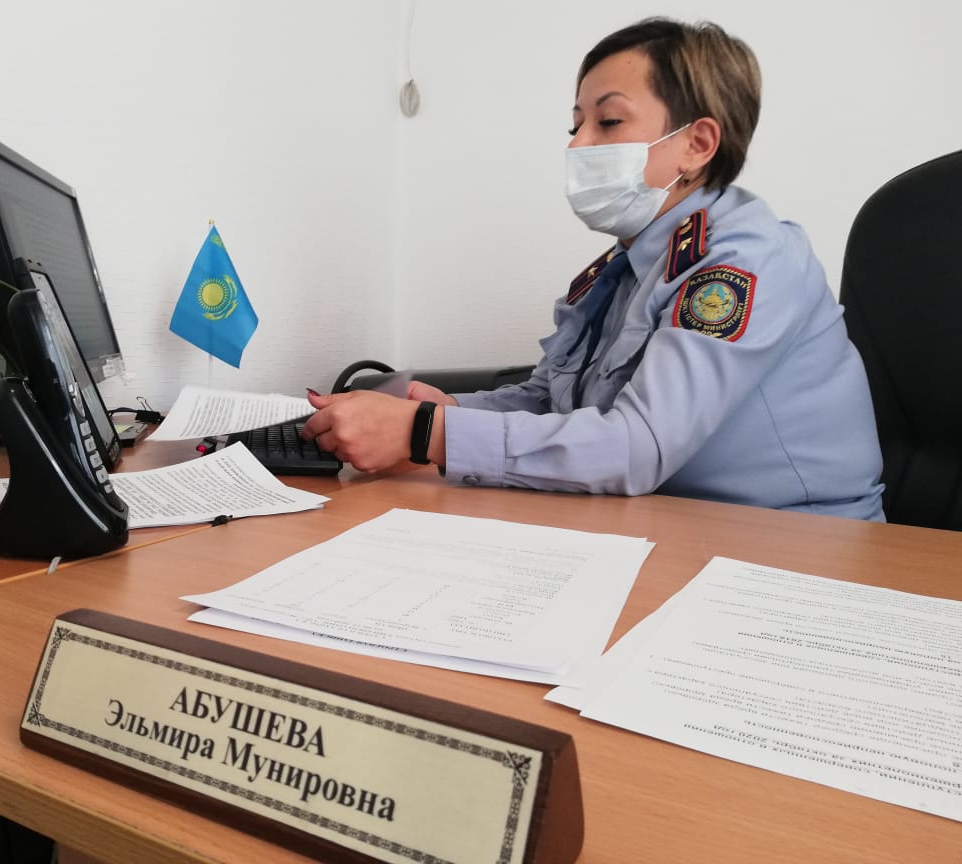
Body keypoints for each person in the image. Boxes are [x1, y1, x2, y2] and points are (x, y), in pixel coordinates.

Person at [302, 17, 885, 521]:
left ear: (697, 144)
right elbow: (549, 399)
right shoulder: (626, 266)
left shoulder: (747, 261)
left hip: (793, 544)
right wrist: (443, 413)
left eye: (608, 123)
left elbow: (637, 446)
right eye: (574, 125)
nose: (577, 146)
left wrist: (425, 435)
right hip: (666, 521)